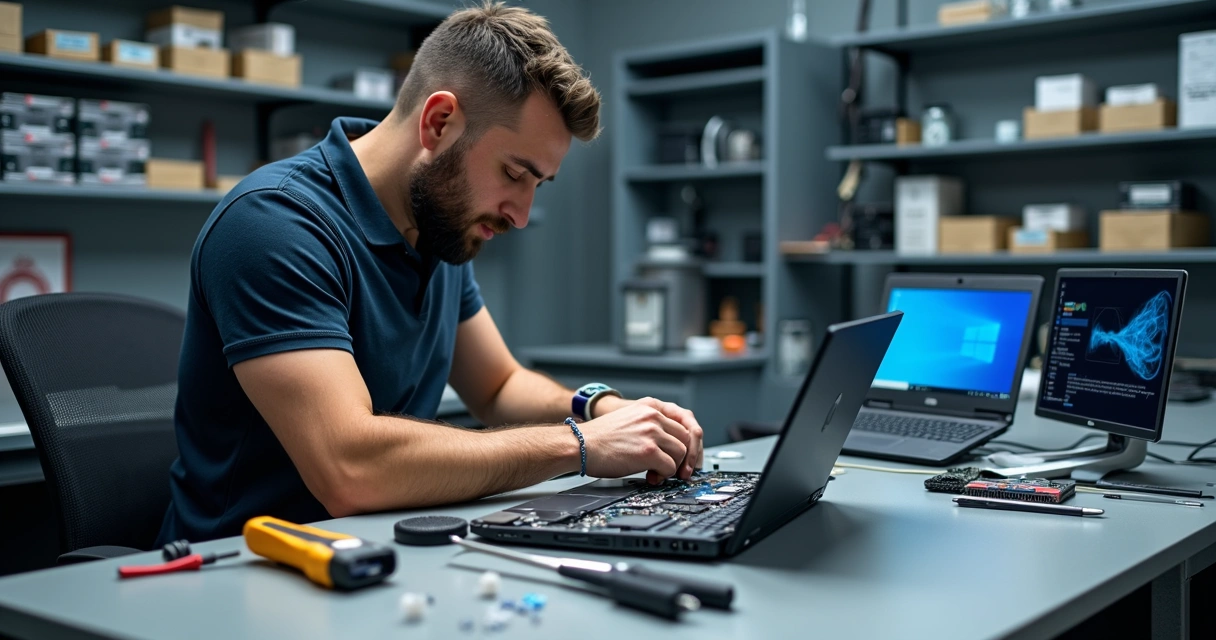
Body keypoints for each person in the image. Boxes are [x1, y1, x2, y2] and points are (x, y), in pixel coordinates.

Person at [157, 2, 704, 544]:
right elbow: (350, 468)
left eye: (539, 184)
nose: (520, 214)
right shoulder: (273, 224)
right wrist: (582, 445)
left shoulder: (436, 228)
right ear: (439, 122)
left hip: (385, 551)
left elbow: (499, 386)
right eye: (514, 173)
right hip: (240, 569)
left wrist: (606, 408)